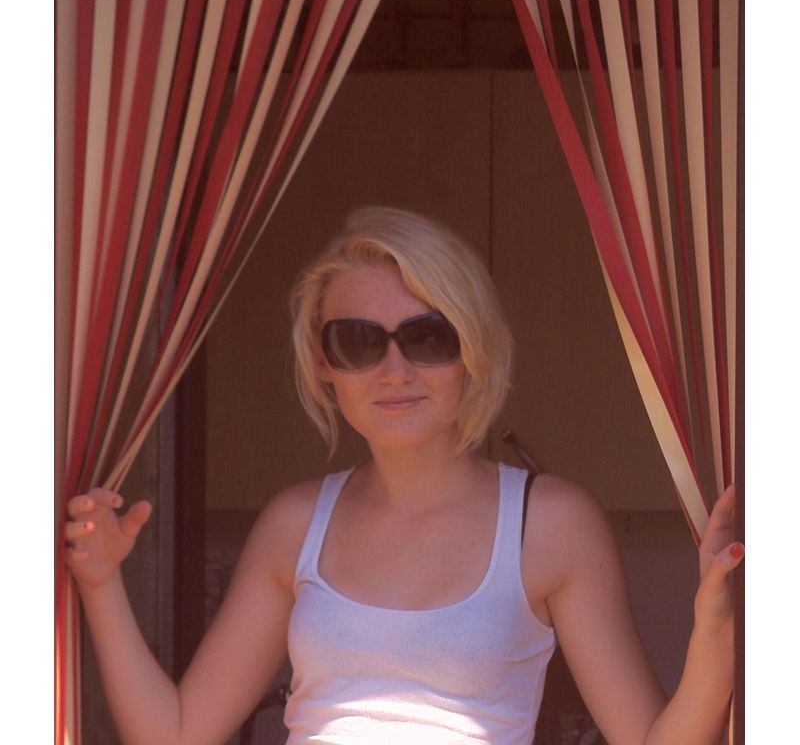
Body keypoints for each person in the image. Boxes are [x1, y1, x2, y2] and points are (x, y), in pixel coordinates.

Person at [66, 207, 742, 745]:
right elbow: (177, 732)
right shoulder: (294, 523)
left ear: (472, 347)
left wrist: (716, 622)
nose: (394, 371)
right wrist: (100, 582)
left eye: (427, 337)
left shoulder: (552, 524)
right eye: (357, 342)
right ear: (324, 365)